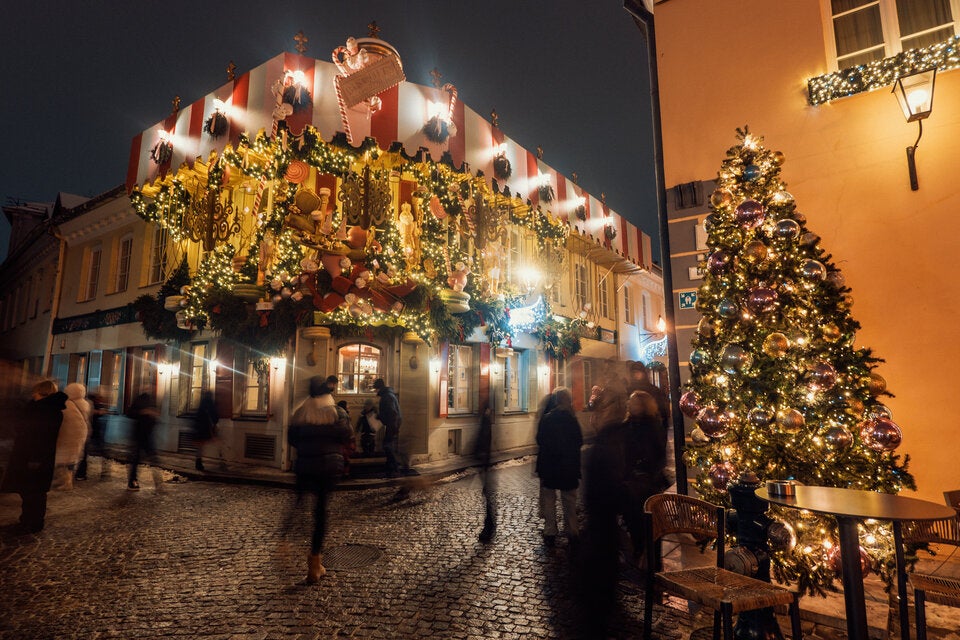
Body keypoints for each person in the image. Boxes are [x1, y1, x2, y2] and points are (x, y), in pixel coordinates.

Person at [285, 376, 353, 583]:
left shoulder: (301, 412)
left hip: (305, 466)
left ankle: (284, 541)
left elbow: (292, 439)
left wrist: (308, 449)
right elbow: (347, 434)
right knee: (320, 514)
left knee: (298, 503)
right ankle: (314, 565)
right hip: (329, 468)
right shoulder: (337, 412)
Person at [0, 380, 66, 533]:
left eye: (35, 391)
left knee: (35, 493)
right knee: (28, 491)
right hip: (28, 456)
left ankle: (34, 522)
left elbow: (42, 438)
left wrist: (35, 458)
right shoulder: (39, 409)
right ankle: (26, 519)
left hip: (36, 458)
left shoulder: (49, 412)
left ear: (42, 392)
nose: (32, 394)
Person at [535, 387, 583, 547]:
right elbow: (579, 441)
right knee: (569, 500)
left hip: (550, 466)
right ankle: (572, 530)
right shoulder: (572, 419)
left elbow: (540, 439)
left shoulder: (548, 418)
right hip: (568, 466)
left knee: (549, 499)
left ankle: (550, 530)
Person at [54, 383, 90, 490]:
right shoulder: (85, 403)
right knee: (71, 458)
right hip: (81, 433)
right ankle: (65, 479)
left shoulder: (67, 404)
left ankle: (66, 481)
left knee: (62, 458)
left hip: (67, 434)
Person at [126, 393, 161, 491]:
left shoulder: (152, 400)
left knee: (153, 458)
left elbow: (155, 417)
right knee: (136, 460)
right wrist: (143, 412)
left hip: (148, 435)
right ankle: (132, 481)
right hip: (138, 435)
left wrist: (154, 416)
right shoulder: (138, 400)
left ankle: (158, 482)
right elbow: (130, 413)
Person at [373, 378, 405, 477]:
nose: (375, 391)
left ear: (379, 388)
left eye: (376, 389)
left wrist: (380, 417)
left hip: (392, 423)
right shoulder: (389, 395)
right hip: (394, 423)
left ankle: (395, 467)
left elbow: (391, 412)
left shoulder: (386, 397)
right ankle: (390, 466)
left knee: (387, 445)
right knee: (388, 445)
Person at [75, 388, 108, 480]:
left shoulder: (93, 403)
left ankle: (81, 473)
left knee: (86, 452)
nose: (101, 399)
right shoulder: (89, 403)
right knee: (86, 452)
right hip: (91, 430)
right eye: (99, 397)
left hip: (93, 430)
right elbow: (88, 414)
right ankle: (81, 473)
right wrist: (98, 412)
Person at [626, 361, 669, 430]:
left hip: (650, 427)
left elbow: (661, 411)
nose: (636, 375)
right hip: (633, 428)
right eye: (634, 373)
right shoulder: (628, 390)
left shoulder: (653, 390)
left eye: (638, 372)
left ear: (643, 373)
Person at [475, 401, 496, 543]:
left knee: (489, 496)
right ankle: (489, 526)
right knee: (488, 495)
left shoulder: (486, 419)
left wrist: (483, 457)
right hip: (485, 461)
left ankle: (489, 527)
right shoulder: (485, 418)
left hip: (486, 462)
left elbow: (485, 439)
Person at [191, 390, 218, 471]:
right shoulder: (209, 403)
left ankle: (198, 462)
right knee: (202, 445)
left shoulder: (202, 404)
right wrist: (214, 422)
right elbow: (213, 414)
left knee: (200, 447)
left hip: (199, 428)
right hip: (205, 428)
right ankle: (199, 463)